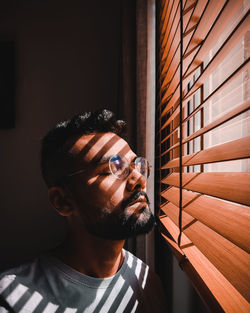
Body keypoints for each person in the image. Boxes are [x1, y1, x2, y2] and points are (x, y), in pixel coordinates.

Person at [0, 109, 166, 313]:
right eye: (114, 168)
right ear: (62, 201)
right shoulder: (12, 299)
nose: (139, 179)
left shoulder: (148, 284)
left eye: (137, 165)